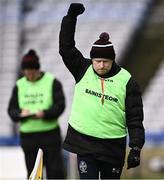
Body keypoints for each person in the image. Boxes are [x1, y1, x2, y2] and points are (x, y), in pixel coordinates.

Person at [59, 3, 145, 179]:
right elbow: (66, 48)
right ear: (92, 59)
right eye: (97, 60)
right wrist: (71, 18)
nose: (101, 65)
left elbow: (135, 117)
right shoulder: (82, 68)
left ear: (113, 60)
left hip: (112, 147)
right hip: (84, 143)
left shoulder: (127, 81)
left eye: (106, 61)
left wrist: (136, 148)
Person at [8, 49, 66, 179]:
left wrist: (45, 113)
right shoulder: (19, 85)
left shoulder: (52, 81)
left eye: (32, 72)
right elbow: (11, 111)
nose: (29, 75)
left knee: (55, 172)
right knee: (33, 174)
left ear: (37, 69)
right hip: (28, 137)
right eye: (26, 72)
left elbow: (60, 105)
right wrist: (20, 113)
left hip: (50, 135)